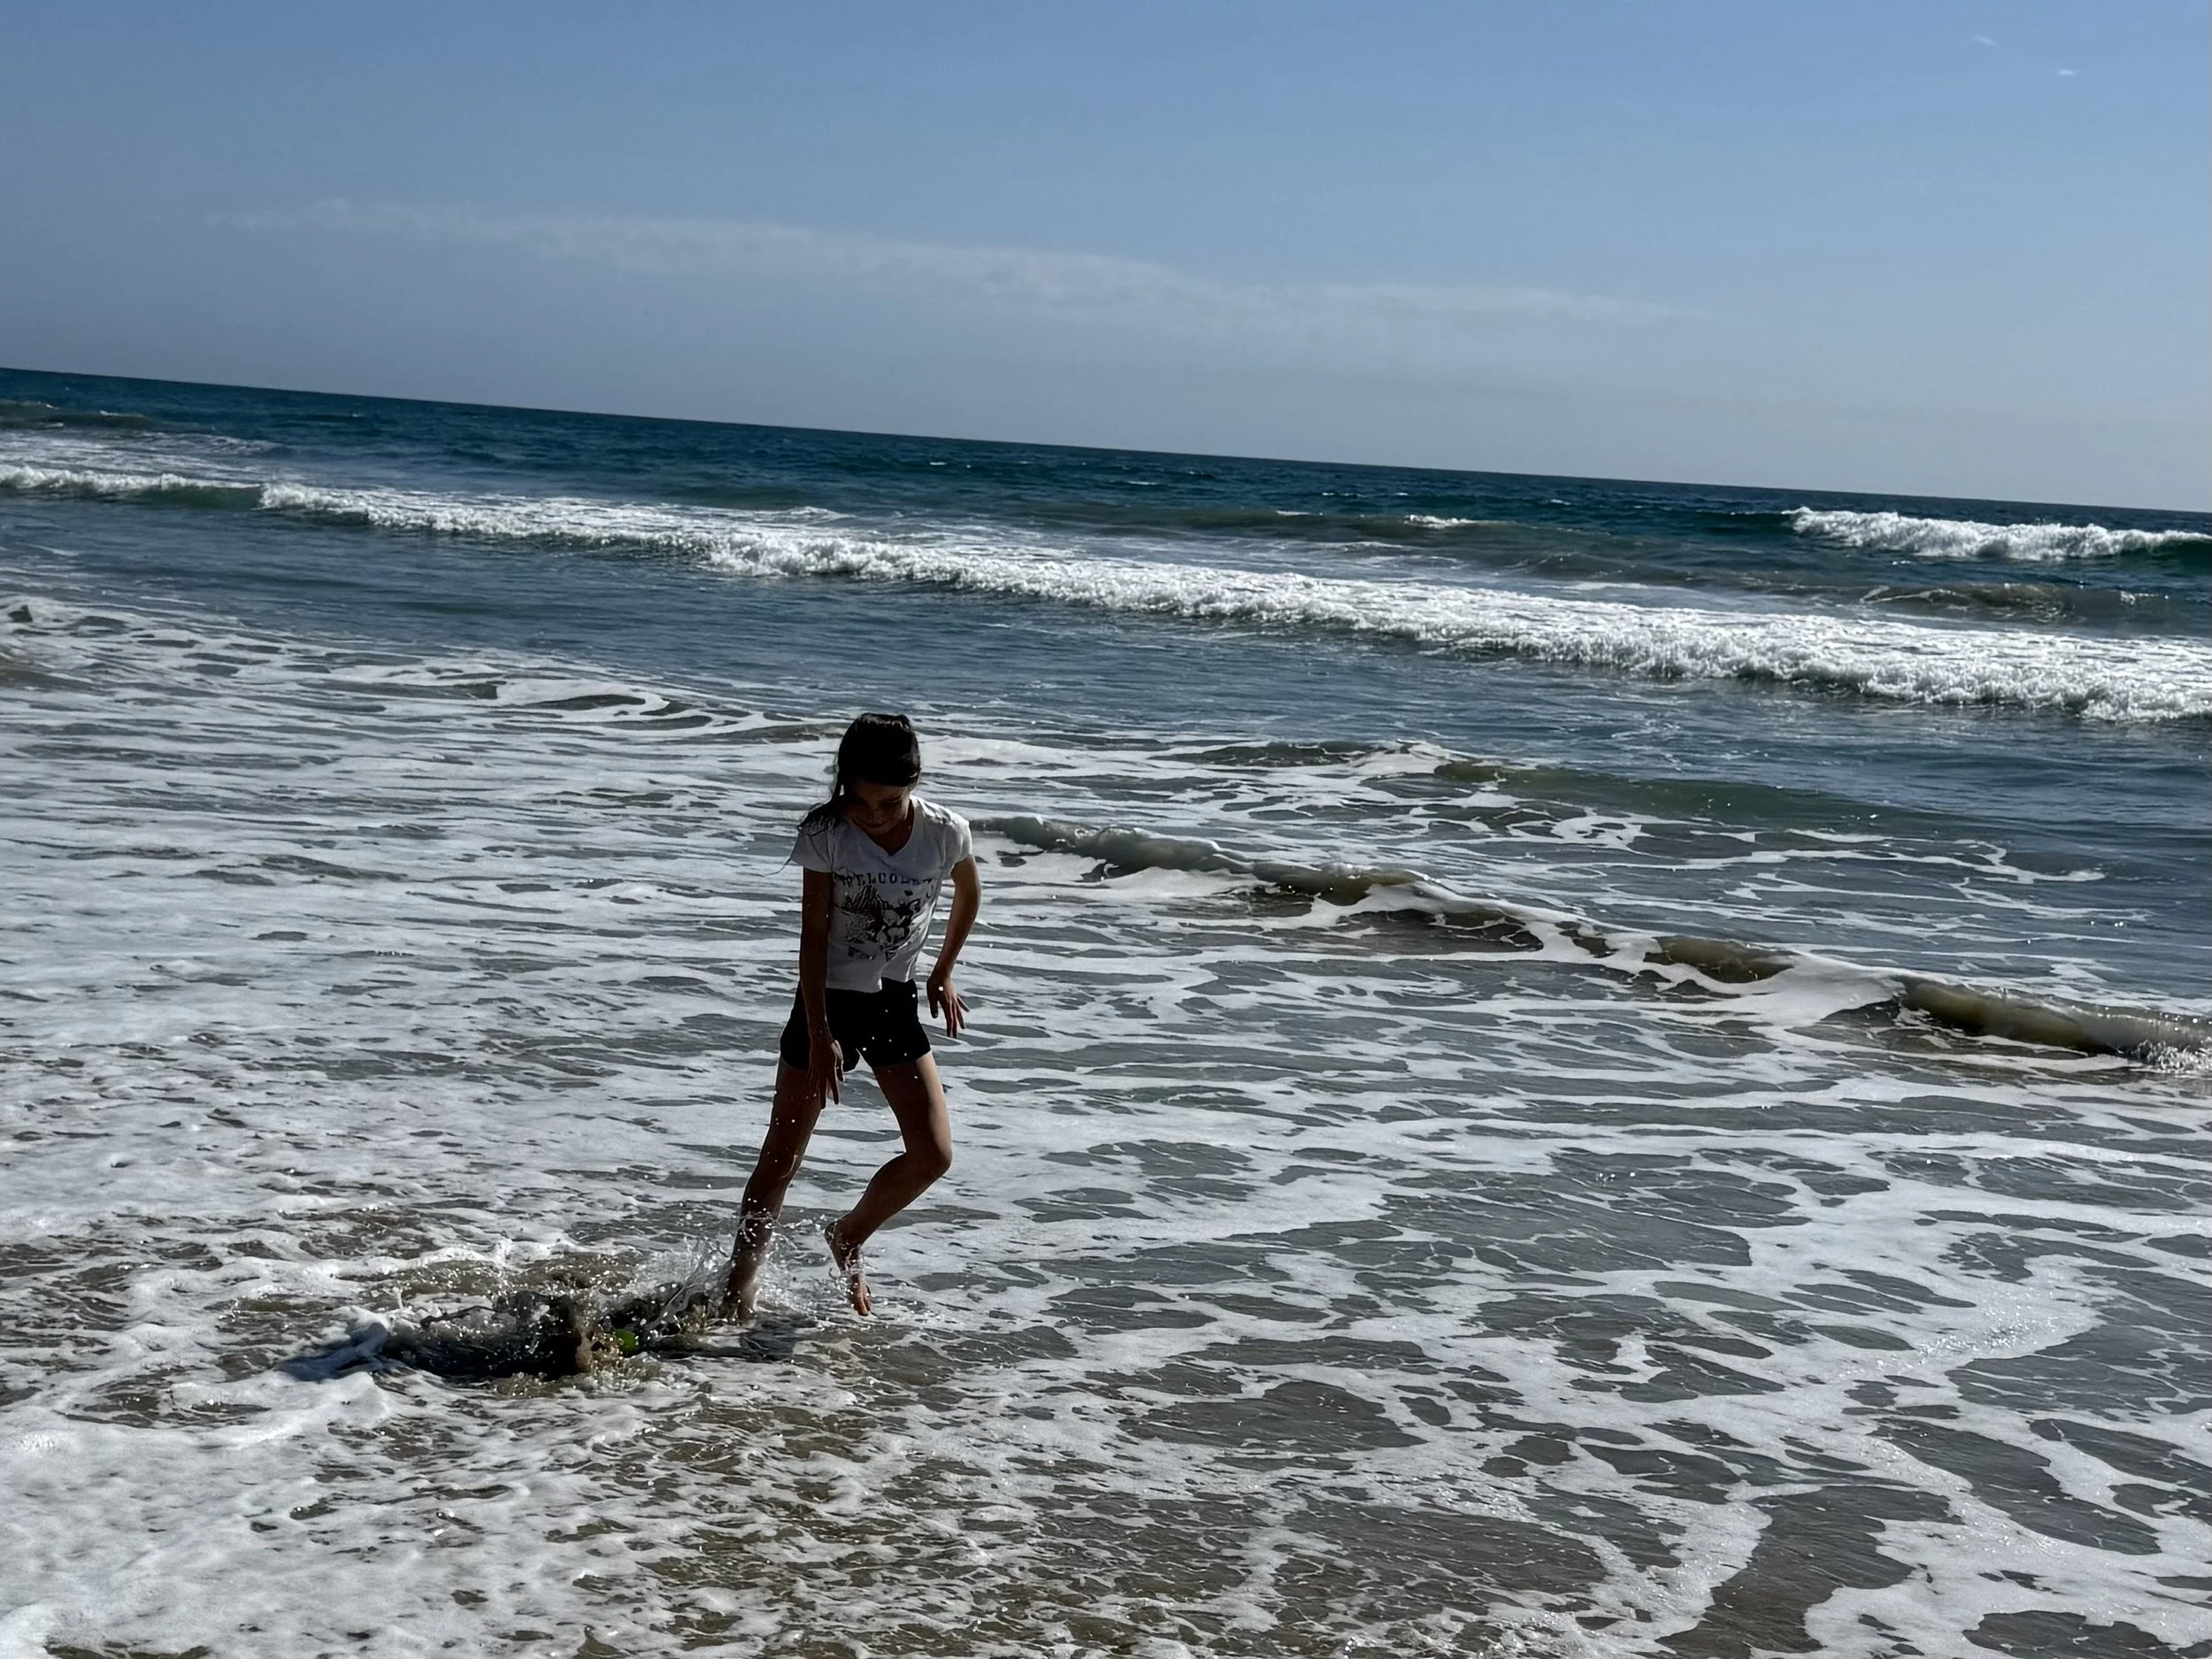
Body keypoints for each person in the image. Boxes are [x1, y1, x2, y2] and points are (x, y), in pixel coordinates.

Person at [722, 712, 980, 1320]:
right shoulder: (827, 832)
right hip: (828, 999)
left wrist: (943, 970)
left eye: (888, 802)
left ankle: (849, 1233)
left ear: (914, 781)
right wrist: (819, 1032)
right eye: (859, 802)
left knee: (933, 1154)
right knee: (781, 1158)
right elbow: (812, 937)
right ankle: (737, 1293)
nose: (873, 815)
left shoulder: (946, 832)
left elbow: (969, 893)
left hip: (893, 998)